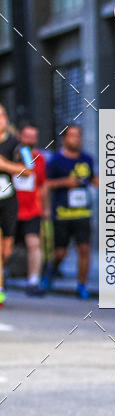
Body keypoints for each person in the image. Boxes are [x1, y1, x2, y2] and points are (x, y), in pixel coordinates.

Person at [42, 125, 98, 299]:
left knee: (84, 248)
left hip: (82, 213)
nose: (76, 139)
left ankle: (82, 286)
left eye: (78, 136)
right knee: (60, 253)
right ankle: (51, 270)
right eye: (72, 136)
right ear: (64, 139)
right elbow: (46, 185)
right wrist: (64, 183)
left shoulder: (87, 159)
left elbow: (93, 179)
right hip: (62, 213)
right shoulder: (55, 161)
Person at [0, 105, 34, 307]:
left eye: (2, 115)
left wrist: (5, 166)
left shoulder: (18, 144)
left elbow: (29, 170)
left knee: (6, 251)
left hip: (8, 201)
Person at [15, 122, 48, 297]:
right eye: (27, 137)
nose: (30, 140)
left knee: (34, 244)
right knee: (4, 249)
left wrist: (46, 208)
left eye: (33, 137)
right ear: (20, 136)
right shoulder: (8, 155)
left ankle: (33, 281)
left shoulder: (39, 158)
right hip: (10, 209)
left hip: (31, 210)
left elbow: (43, 185)